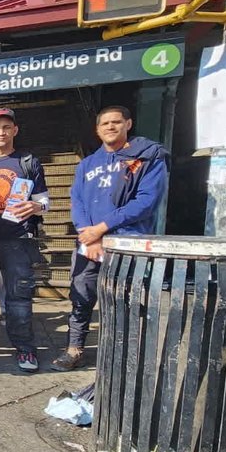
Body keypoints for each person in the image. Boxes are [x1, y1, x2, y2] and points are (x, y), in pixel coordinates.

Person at [53, 106, 169, 371]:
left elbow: (146, 202)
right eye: (105, 123)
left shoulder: (148, 158)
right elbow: (77, 202)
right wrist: (89, 236)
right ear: (97, 129)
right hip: (89, 244)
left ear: (128, 123)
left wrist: (102, 228)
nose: (110, 127)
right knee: (80, 297)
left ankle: (124, 354)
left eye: (116, 122)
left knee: (126, 299)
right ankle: (74, 348)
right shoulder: (87, 164)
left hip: (127, 243)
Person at [0, 108, 50, 372]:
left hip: (17, 239)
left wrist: (37, 208)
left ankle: (25, 348)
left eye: (6, 127)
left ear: (15, 130)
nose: (1, 132)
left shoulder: (28, 162)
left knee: (18, 297)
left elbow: (44, 200)